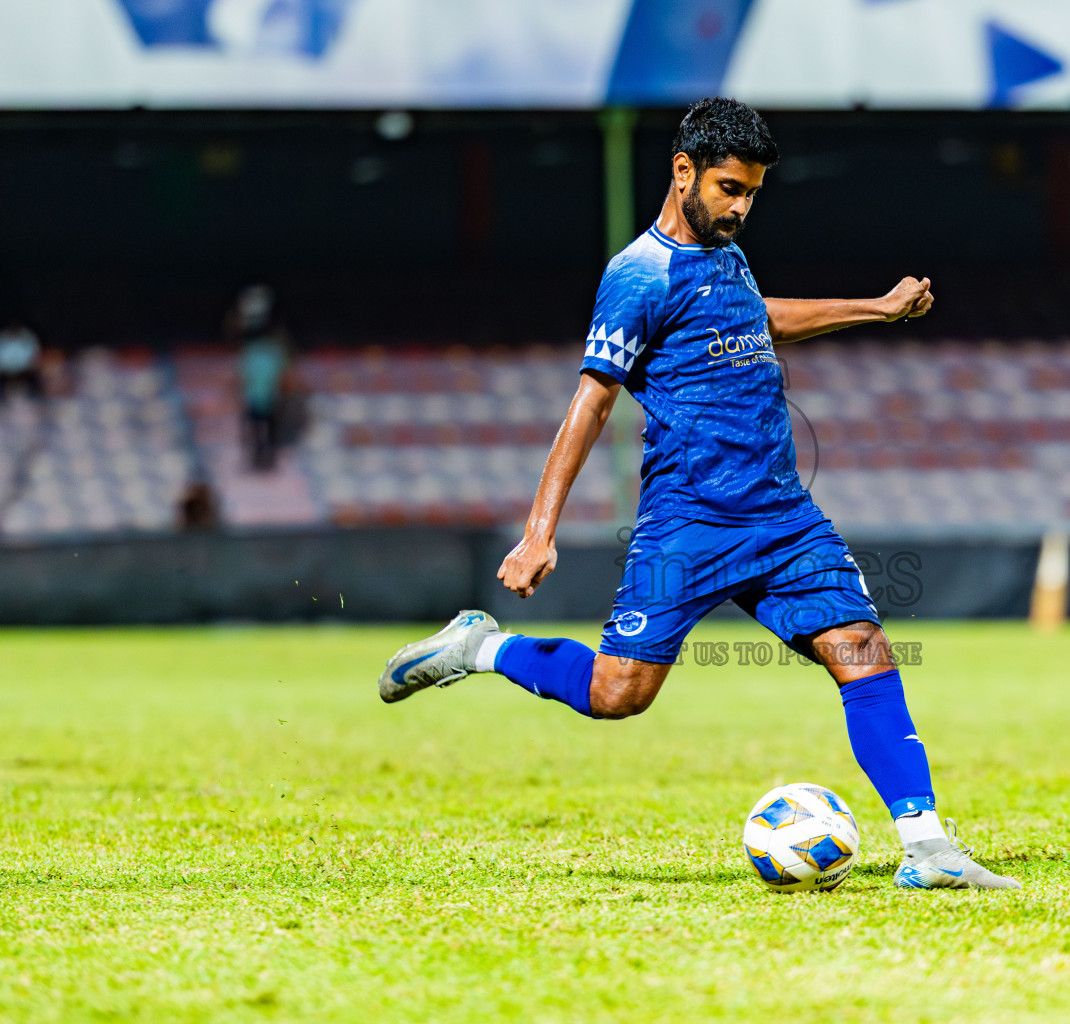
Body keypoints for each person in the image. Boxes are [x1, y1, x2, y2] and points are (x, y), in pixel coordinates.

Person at [379, 97, 1017, 890]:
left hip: (783, 516)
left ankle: (927, 850)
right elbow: (592, 399)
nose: (740, 207)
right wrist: (539, 530)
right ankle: (479, 648)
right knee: (619, 695)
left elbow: (758, 318)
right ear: (682, 171)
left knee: (864, 650)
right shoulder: (635, 276)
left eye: (750, 193)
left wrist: (875, 308)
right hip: (689, 521)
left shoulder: (727, 255)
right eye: (727, 188)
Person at [229, 285, 288, 472]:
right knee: (255, 429)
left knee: (266, 430)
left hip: (266, 398)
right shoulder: (253, 353)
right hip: (256, 397)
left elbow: (280, 376)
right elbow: (242, 377)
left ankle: (266, 459)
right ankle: (258, 459)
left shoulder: (270, 351)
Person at [0, 318, 43, 402]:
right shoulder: (3, 338)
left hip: (24, 372)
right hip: (7, 373)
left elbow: (35, 356)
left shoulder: (28, 338)